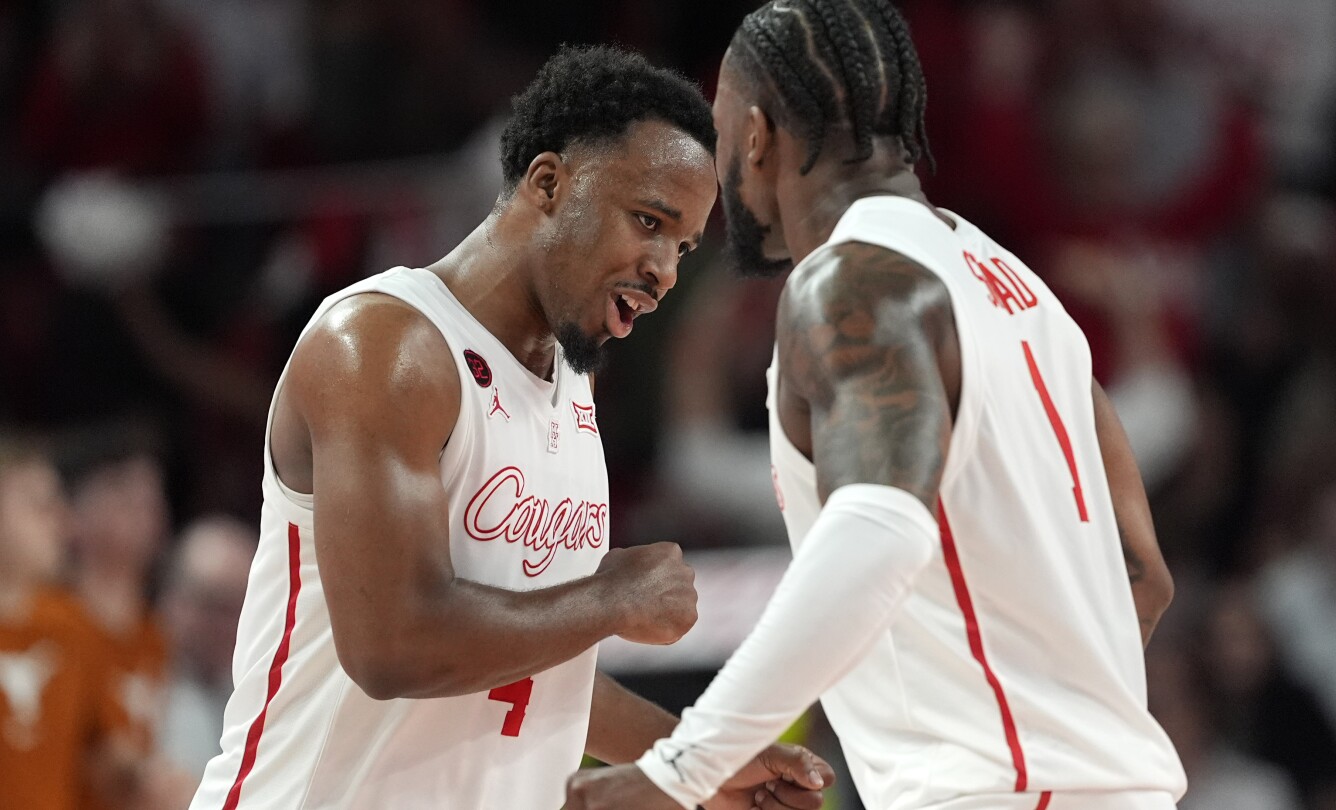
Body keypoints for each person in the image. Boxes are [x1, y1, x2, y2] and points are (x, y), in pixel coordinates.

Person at [565, 1, 1186, 808]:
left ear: (754, 133)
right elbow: (1142, 577)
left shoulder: (851, 280)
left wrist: (679, 770)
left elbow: (878, 531)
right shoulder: (1018, 290)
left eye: (719, 135)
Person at [189, 45, 832, 810]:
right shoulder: (386, 347)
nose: (665, 268)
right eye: (648, 222)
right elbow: (395, 646)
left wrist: (694, 763)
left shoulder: (572, 378)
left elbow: (530, 663)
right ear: (549, 183)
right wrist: (612, 599)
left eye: (684, 246)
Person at [0, 436, 181, 809]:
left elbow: (105, 752)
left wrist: (155, 779)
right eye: (41, 507)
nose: (64, 523)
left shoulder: (75, 627)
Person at [157, 516, 255, 779]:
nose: (227, 625)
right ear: (173, 600)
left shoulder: (263, 693)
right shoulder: (138, 685)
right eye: (214, 605)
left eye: (240, 608)